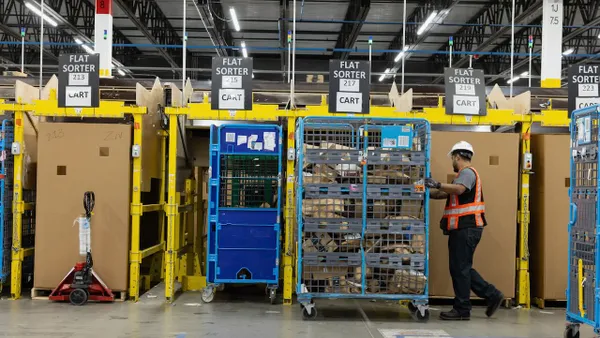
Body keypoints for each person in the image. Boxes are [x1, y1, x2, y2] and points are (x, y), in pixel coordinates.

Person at [424, 141, 504, 321]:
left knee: (460, 268)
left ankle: (462, 309)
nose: (452, 161)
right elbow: (443, 194)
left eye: (452, 157)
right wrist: (426, 189)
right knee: (461, 268)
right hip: (463, 229)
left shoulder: (467, 174)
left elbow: (458, 190)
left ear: (457, 156)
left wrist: (437, 183)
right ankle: (491, 295)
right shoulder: (462, 176)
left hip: (466, 228)